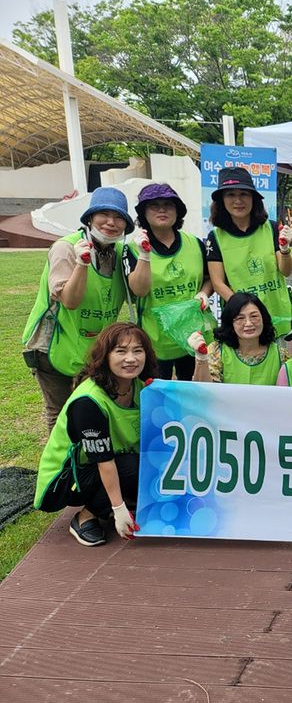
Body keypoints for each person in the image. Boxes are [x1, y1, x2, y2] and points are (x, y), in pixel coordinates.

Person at [22, 186, 151, 431]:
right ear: (90, 218)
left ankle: (88, 461)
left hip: (92, 348)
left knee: (90, 407)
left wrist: (144, 256)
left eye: (119, 217)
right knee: (59, 411)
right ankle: (61, 467)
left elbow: (139, 292)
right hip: (53, 346)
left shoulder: (122, 252)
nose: (111, 222)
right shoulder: (65, 248)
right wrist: (82, 264)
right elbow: (70, 300)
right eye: (103, 214)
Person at [34, 322, 157, 547]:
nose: (131, 358)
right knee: (131, 466)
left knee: (151, 458)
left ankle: (123, 498)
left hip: (109, 464)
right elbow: (104, 461)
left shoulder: (140, 387)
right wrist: (119, 510)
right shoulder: (88, 401)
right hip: (66, 479)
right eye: (121, 351)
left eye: (138, 351)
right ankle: (86, 516)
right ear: (105, 356)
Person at [130, 183, 212, 381]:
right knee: (159, 399)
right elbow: (139, 291)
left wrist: (204, 293)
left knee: (194, 395)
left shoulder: (195, 243)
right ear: (143, 213)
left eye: (168, 204)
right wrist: (144, 255)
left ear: (178, 212)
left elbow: (209, 279)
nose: (161, 209)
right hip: (156, 341)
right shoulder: (132, 248)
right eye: (153, 205)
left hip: (194, 336)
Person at [206, 166, 292, 337]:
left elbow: (286, 271)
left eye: (244, 194)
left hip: (276, 314)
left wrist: (285, 248)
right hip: (241, 321)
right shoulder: (216, 237)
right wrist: (246, 311)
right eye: (231, 194)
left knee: (278, 361)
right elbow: (218, 283)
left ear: (254, 198)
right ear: (222, 200)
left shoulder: (271, 228)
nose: (238, 200)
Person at [189, 292, 288, 385]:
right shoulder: (217, 351)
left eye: (254, 316)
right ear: (230, 323)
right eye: (240, 318)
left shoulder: (281, 355)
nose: (248, 323)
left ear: (264, 318)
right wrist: (201, 358)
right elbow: (203, 392)